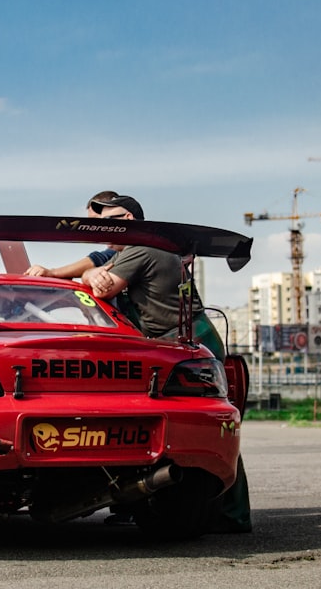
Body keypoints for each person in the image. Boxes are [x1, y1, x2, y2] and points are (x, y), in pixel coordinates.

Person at [81, 194, 252, 533]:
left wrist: (90, 275)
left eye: (108, 222)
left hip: (189, 343)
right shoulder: (141, 250)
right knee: (217, 429)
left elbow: (101, 290)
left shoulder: (140, 250)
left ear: (127, 219)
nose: (102, 232)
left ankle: (231, 514)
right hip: (187, 341)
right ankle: (224, 511)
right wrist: (92, 270)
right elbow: (97, 271)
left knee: (217, 429)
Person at [23, 190, 120, 279]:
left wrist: (53, 273)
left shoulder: (130, 246)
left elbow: (102, 258)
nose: (92, 228)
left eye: (96, 221)